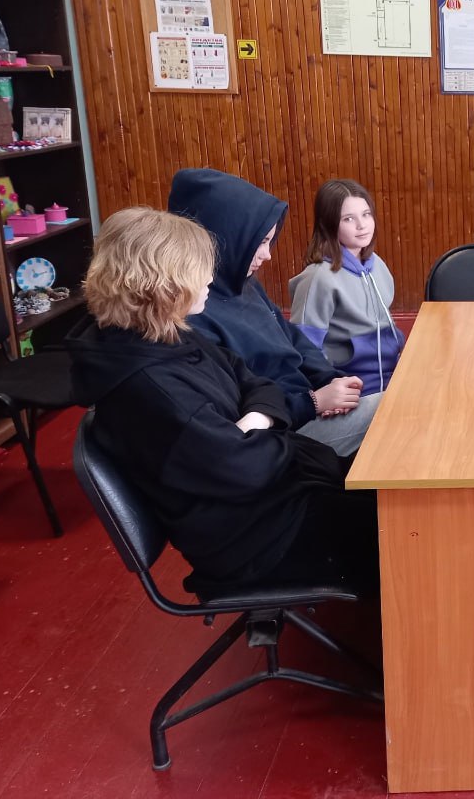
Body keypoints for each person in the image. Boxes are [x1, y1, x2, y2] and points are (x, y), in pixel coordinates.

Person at [68, 207, 378, 597]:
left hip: (280, 495)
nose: (210, 279)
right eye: (199, 270)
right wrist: (261, 423)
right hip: (258, 541)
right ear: (162, 283)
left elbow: (255, 381)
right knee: (411, 533)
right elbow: (247, 469)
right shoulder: (150, 386)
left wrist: (254, 422)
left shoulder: (165, 332)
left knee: (399, 497)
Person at [167, 168, 380, 456]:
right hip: (284, 430)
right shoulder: (195, 312)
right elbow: (239, 405)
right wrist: (312, 402)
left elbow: (294, 340)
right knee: (400, 411)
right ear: (225, 240)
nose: (267, 254)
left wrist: (330, 380)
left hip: (310, 404)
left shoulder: (246, 284)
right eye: (260, 243)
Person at [290, 179, 404, 396]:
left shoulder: (377, 264)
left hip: (393, 376)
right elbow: (305, 349)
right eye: (348, 219)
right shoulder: (318, 278)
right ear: (329, 224)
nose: (362, 225)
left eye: (366, 214)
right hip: (357, 390)